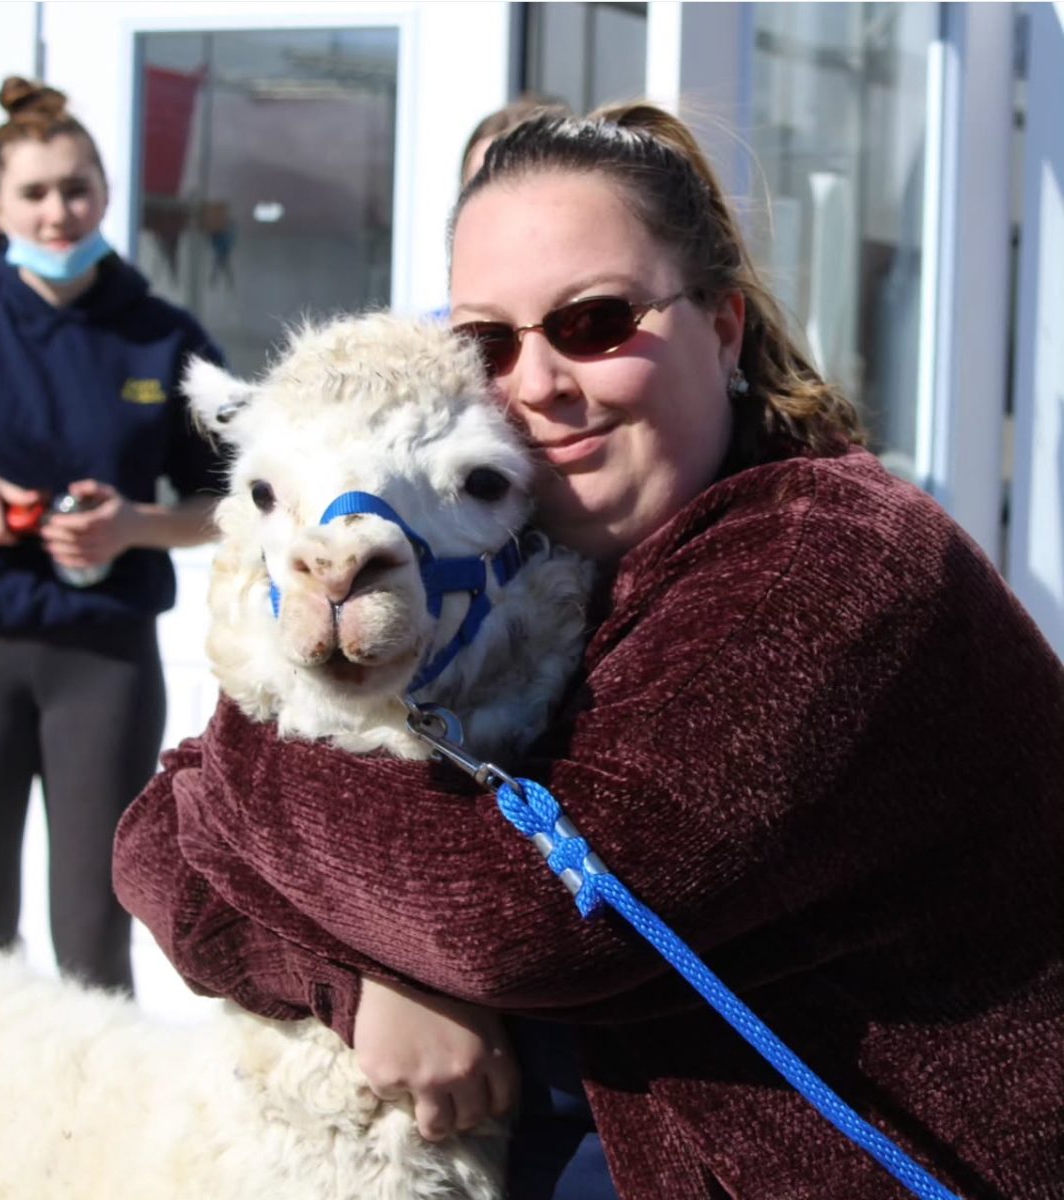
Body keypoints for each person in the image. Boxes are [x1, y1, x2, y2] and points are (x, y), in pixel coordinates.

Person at [113, 102, 1063, 1199]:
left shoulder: (833, 559)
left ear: (724, 327)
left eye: (597, 322)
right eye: (485, 340)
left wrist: (265, 710)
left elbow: (529, 921)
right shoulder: (533, 565)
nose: (536, 383)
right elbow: (151, 847)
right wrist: (353, 981)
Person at [0, 76, 225, 993]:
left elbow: (233, 499)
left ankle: (83, 1133)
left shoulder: (163, 336)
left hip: (102, 665)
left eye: (75, 189)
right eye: (33, 193)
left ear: (105, 195)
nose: (57, 212)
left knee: (96, 939)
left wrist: (133, 526)